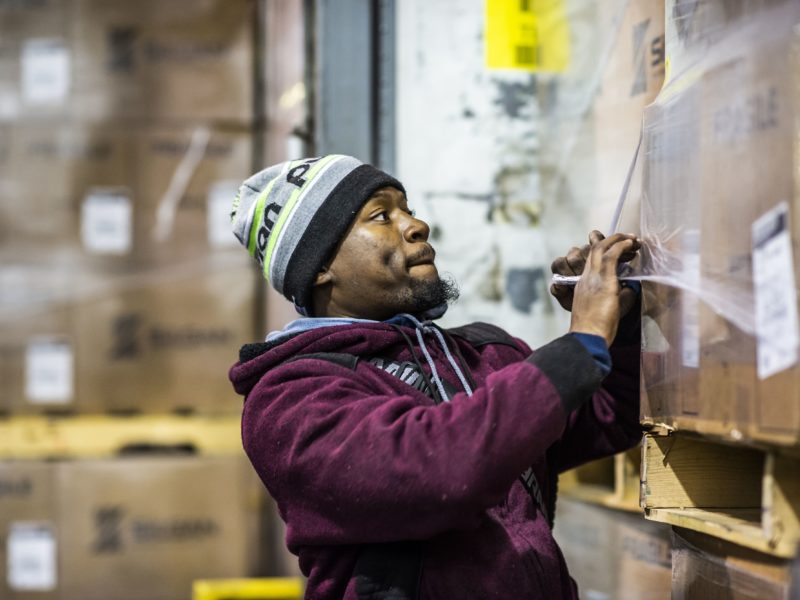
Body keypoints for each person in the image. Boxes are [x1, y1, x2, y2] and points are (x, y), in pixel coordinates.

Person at [228, 154, 642, 599]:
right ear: (320, 266)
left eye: (408, 208)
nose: (415, 224)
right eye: (382, 215)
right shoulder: (289, 399)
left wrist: (618, 322)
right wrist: (581, 342)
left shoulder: (486, 353)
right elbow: (439, 470)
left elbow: (609, 416)